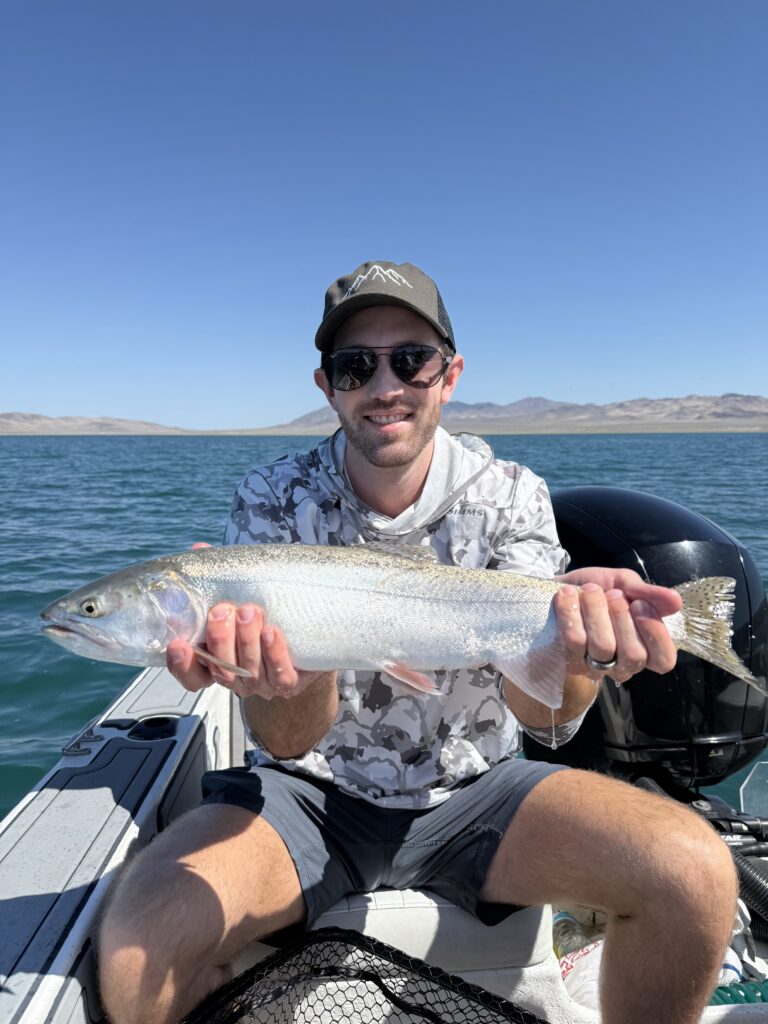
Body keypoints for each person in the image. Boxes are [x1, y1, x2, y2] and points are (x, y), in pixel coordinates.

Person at [98, 261, 737, 1024]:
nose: (385, 386)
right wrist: (288, 673)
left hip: (479, 793)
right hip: (311, 795)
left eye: (411, 360)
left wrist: (583, 655)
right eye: (355, 366)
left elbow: (547, 720)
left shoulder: (510, 494)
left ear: (449, 375)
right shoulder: (273, 499)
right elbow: (288, 739)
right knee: (139, 940)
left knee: (695, 874)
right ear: (327, 386)